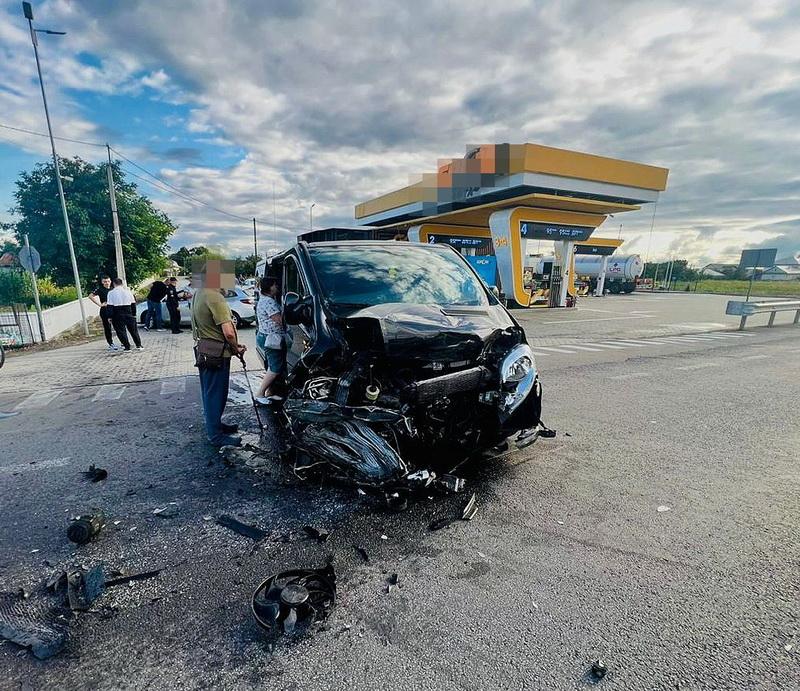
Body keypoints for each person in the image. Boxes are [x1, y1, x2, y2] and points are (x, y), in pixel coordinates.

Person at [191, 260, 246, 447]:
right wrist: (236, 347)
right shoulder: (215, 297)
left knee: (209, 392)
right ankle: (215, 435)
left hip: (204, 350)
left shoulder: (199, 293)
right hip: (217, 353)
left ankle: (215, 425)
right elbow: (228, 332)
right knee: (217, 394)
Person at [254, 275, 287, 405]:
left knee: (273, 365)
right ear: (269, 287)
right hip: (272, 339)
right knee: (275, 368)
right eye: (274, 285)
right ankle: (260, 393)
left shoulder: (265, 299)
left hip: (266, 336)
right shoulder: (269, 302)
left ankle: (270, 393)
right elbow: (279, 321)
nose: (277, 287)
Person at [107, 278, 143, 352]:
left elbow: (110, 306)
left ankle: (127, 347)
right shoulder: (128, 292)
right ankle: (139, 345)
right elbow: (133, 303)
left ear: (114, 284)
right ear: (122, 284)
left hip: (117, 313)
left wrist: (109, 316)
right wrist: (134, 314)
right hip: (128, 311)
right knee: (133, 330)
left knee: (121, 331)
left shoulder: (111, 293)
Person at [89, 276, 119, 351]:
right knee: (107, 327)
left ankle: (123, 342)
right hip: (105, 310)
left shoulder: (113, 289)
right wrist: (100, 304)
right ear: (102, 282)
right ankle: (111, 343)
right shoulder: (100, 289)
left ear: (110, 281)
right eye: (105, 281)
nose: (107, 283)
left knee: (118, 326)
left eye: (108, 281)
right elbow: (90, 296)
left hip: (114, 309)